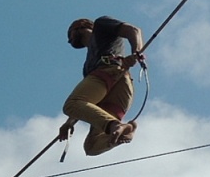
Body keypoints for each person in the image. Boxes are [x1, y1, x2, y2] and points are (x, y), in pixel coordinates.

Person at [58, 16, 145, 156]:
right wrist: (69, 123)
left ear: (81, 24)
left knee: (71, 105)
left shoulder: (101, 25)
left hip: (109, 71)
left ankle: (115, 125)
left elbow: (133, 30)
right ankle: (125, 130)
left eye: (70, 33)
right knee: (91, 147)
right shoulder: (87, 66)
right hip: (119, 89)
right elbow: (87, 100)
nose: (69, 40)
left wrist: (136, 53)